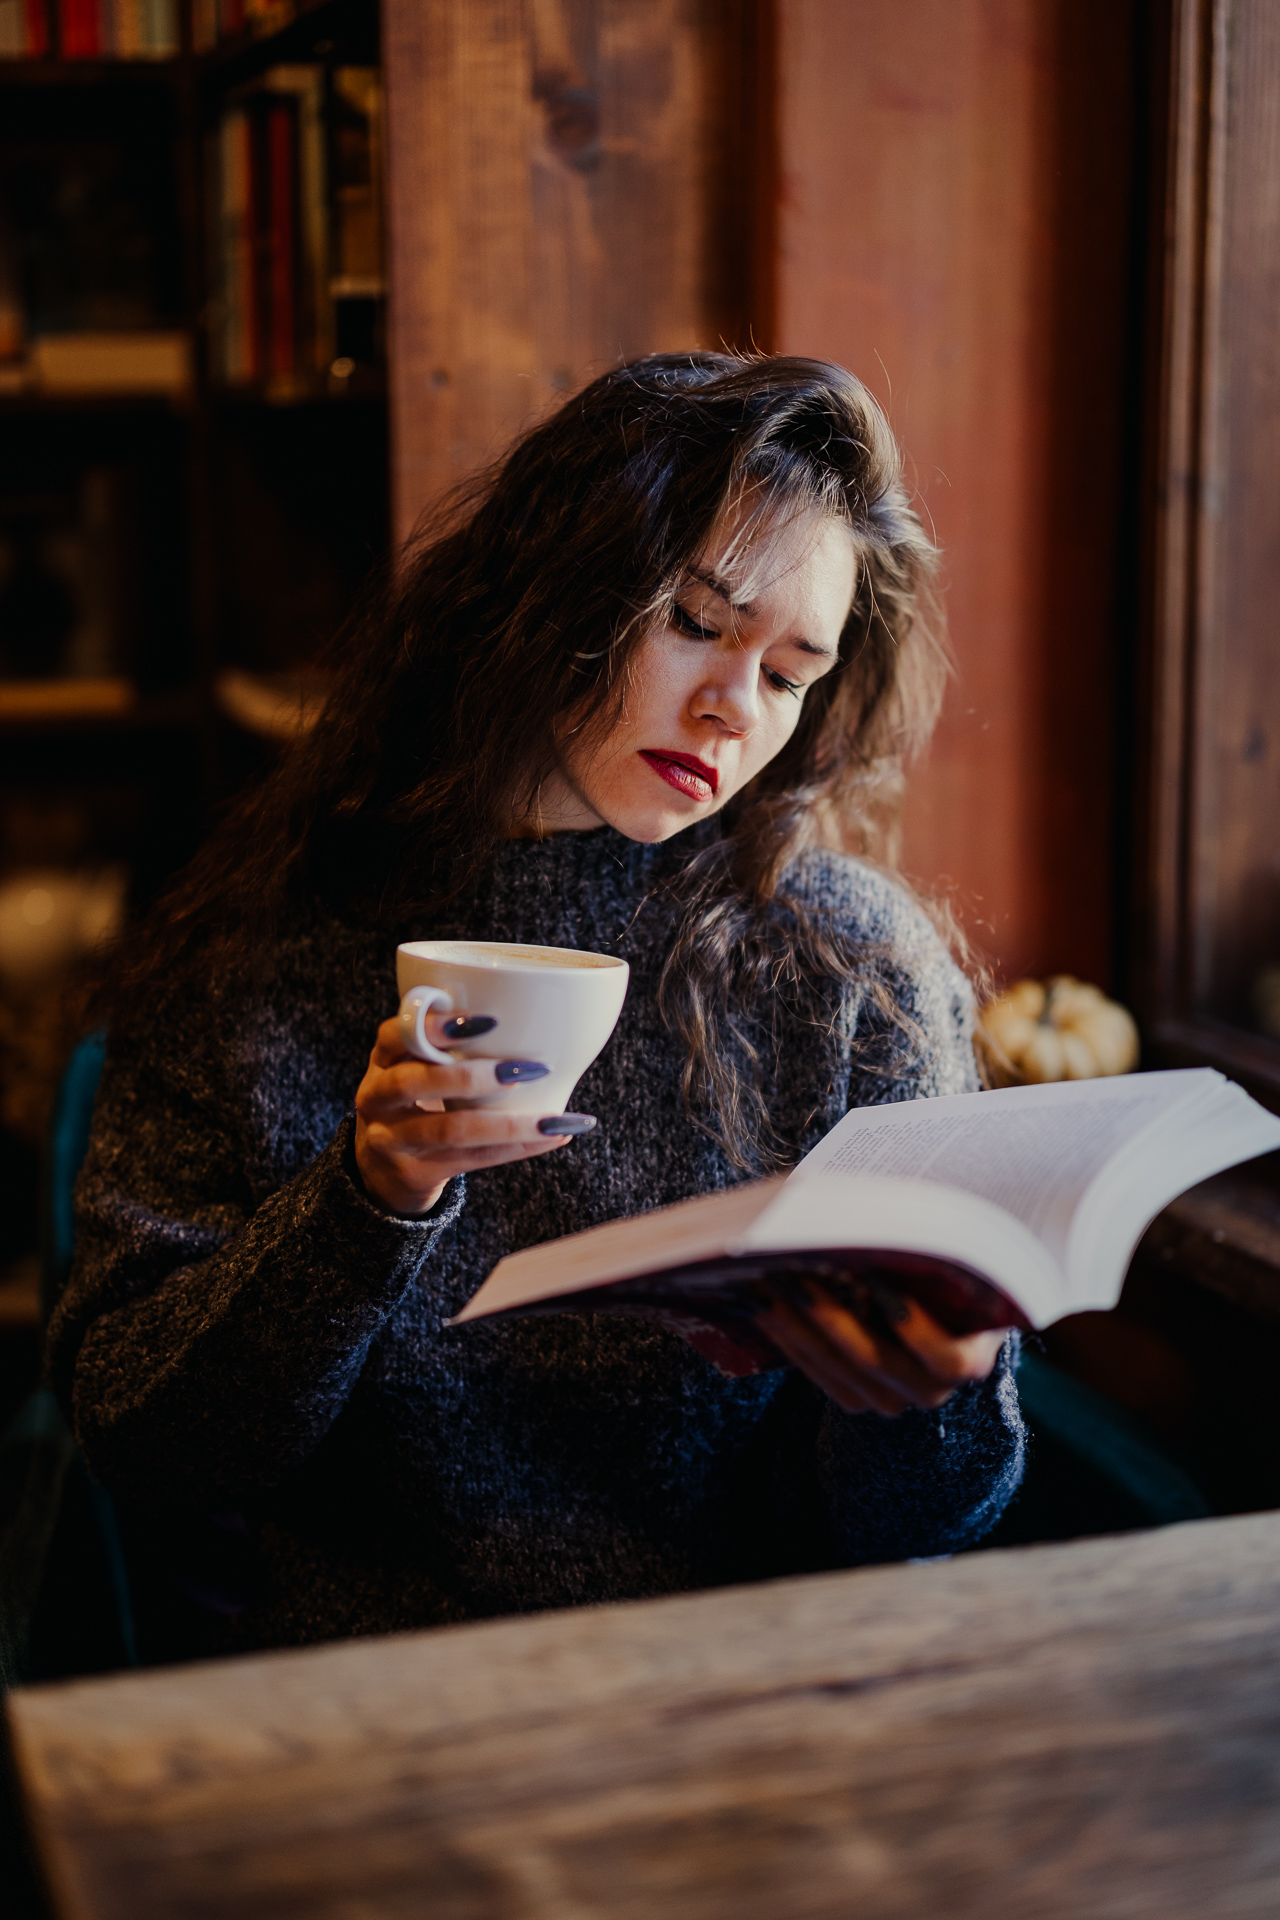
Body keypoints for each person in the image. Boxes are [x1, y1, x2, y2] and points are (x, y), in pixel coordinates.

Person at [49, 353, 1024, 1657]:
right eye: (694, 621)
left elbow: (925, 1530)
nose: (735, 709)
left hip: (759, 1695)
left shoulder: (846, 973)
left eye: (789, 674)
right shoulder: (266, 952)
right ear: (552, 585)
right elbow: (141, 1445)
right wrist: (363, 1205)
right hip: (368, 1694)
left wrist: (930, 1400)